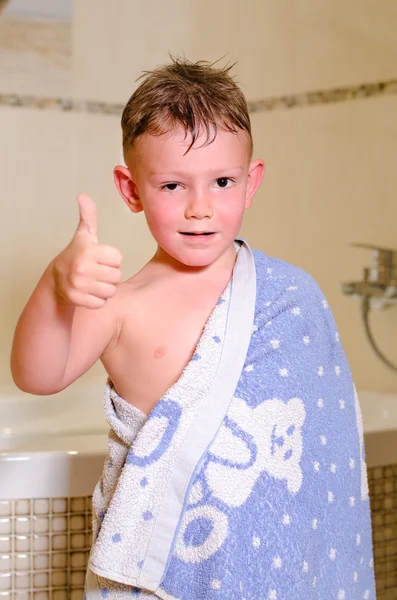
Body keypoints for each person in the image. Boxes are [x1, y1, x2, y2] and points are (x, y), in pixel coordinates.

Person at [11, 59, 376, 600]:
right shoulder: (120, 308)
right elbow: (37, 376)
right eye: (173, 185)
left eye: (222, 182)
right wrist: (56, 285)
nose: (200, 208)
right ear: (130, 189)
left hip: (283, 571)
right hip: (173, 577)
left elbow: (322, 462)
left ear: (250, 184)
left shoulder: (287, 295)